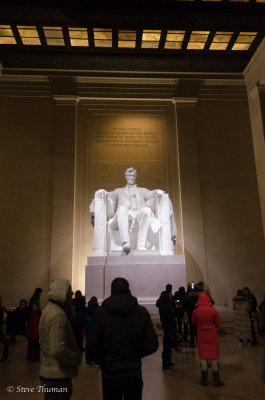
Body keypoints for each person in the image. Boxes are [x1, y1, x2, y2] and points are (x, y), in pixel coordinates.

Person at [86, 277, 158, 400]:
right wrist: (135, 354)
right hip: (133, 371)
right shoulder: (141, 312)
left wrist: (102, 358)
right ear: (128, 290)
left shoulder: (100, 313)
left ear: (111, 290)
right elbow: (152, 344)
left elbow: (92, 344)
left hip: (110, 372)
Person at [90, 167, 177, 254]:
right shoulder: (119, 191)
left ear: (136, 177)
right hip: (124, 215)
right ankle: (125, 242)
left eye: (133, 176)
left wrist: (158, 191)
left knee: (146, 210)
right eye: (129, 175)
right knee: (122, 208)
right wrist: (102, 190)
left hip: (138, 214)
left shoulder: (142, 190)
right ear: (126, 176)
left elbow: (151, 193)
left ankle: (141, 245)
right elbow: (109, 195)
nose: (131, 177)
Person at [39, 279, 82, 399]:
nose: (72, 293)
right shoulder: (58, 314)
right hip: (57, 374)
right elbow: (58, 349)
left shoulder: (48, 310)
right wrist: (75, 358)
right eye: (70, 290)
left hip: (49, 370)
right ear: (62, 292)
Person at [192, 292, 224, 387]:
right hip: (212, 336)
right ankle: (216, 380)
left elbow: (194, 322)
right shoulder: (212, 310)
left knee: (203, 357)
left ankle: (204, 380)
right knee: (213, 357)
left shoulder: (196, 311)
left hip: (201, 336)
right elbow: (218, 322)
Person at [156, 290, 178, 371]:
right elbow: (165, 317)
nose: (170, 296)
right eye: (169, 295)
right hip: (167, 327)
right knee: (166, 346)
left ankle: (169, 361)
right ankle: (165, 364)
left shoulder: (167, 303)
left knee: (169, 346)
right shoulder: (163, 305)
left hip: (170, 326)